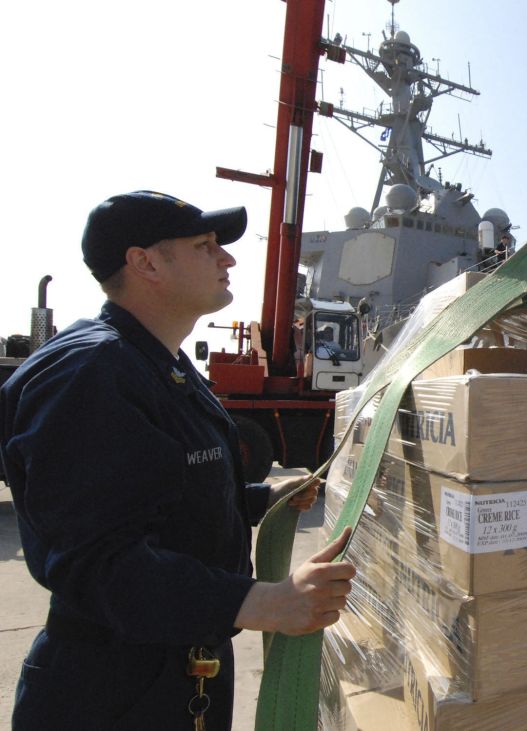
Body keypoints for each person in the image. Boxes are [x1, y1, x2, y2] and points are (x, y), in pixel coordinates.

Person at [0, 190, 357, 730]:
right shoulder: (90, 373)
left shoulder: (155, 362)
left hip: (174, 670)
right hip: (114, 695)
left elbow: (161, 490)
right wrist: (263, 602)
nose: (227, 258)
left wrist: (261, 498)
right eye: (204, 246)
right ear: (145, 263)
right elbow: (95, 562)